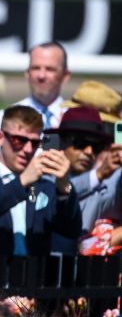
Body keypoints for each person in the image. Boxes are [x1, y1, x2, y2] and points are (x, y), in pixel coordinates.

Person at [0, 105, 81, 257]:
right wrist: (20, 183)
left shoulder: (45, 186)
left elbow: (71, 230)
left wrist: (64, 187)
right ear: (0, 138)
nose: (28, 149)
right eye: (19, 140)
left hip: (33, 277)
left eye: (35, 143)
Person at [44, 107, 118, 254]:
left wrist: (120, 127)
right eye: (81, 143)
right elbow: (60, 192)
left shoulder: (103, 186)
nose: (89, 152)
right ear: (61, 142)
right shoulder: (44, 176)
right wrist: (98, 175)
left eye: (96, 146)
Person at [0, 42, 71, 161]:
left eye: (50, 69)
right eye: (36, 68)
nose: (41, 75)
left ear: (65, 75)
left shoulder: (77, 119)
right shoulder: (4, 117)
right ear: (27, 73)